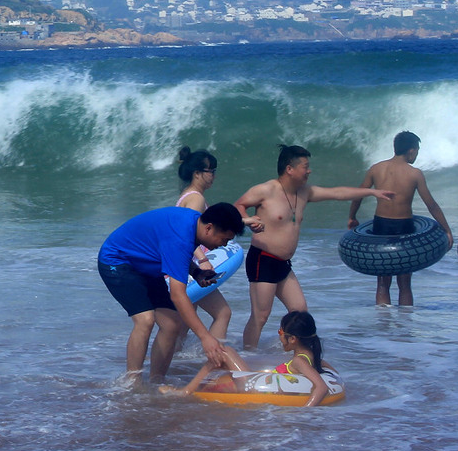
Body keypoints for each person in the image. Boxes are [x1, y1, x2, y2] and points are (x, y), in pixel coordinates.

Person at [235, 144, 395, 349]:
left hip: (284, 263)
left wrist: (373, 192)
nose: (309, 171)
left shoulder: (304, 193)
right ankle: (248, 355)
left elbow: (338, 193)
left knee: (300, 310)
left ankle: (296, 353)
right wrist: (248, 219)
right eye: (305, 166)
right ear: (289, 169)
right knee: (261, 315)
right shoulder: (266, 190)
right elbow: (238, 204)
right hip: (263, 259)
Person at [99, 202, 245, 383]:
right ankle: (132, 385)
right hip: (118, 261)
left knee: (172, 324)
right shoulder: (181, 237)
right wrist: (205, 337)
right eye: (224, 239)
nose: (223, 245)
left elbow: (173, 252)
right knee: (145, 320)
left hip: (148, 266)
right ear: (209, 228)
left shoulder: (193, 223)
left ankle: (157, 380)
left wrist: (197, 272)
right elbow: (178, 295)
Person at [347, 131, 454, 306]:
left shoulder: (376, 168)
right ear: (411, 151)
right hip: (404, 226)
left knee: (383, 282)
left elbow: (358, 195)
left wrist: (352, 217)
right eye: (417, 151)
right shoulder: (415, 174)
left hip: (380, 225)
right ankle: (405, 327)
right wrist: (446, 230)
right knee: (405, 283)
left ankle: (383, 324)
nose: (417, 155)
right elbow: (431, 205)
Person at [160, 310, 333, 407]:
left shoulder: (299, 361)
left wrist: (306, 413)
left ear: (293, 339)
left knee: (224, 351)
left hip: (253, 387)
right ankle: (193, 389)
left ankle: (186, 391)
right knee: (222, 360)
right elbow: (327, 372)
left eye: (281, 332)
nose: (279, 336)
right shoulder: (312, 357)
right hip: (258, 383)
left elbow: (321, 387)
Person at [174, 146, 231, 341]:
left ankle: (176, 365)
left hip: (184, 266)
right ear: (197, 173)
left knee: (183, 325)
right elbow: (188, 234)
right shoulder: (196, 199)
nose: (214, 176)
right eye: (211, 171)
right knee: (223, 313)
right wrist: (203, 260)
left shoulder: (188, 195)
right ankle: (214, 358)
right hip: (193, 267)